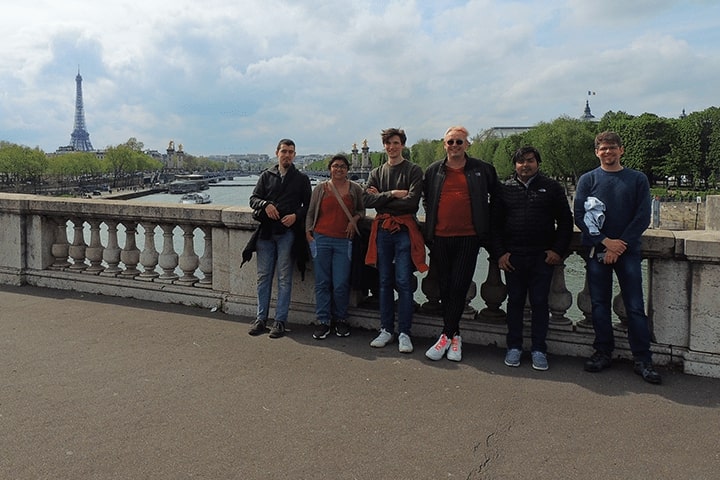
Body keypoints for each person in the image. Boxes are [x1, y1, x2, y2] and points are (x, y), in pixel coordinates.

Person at [573, 131, 662, 384]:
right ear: (596, 152)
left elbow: (643, 216)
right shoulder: (587, 179)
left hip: (626, 250)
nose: (607, 152)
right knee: (599, 304)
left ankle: (643, 358)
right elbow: (580, 215)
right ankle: (603, 351)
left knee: (635, 307)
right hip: (600, 248)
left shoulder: (637, 179)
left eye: (612, 147)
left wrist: (617, 246)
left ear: (622, 150)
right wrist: (605, 242)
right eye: (603, 148)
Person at [490, 146, 573, 370]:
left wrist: (556, 250)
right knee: (514, 303)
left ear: (538, 163)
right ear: (514, 165)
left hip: (541, 256)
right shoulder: (504, 189)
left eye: (530, 160)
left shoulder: (552, 187)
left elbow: (566, 221)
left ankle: (538, 349)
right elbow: (493, 226)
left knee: (539, 304)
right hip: (514, 256)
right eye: (521, 161)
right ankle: (514, 346)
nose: (525, 165)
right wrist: (500, 253)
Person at [422, 126, 498, 362]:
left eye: (459, 142)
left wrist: (485, 225)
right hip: (440, 237)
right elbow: (427, 200)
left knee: (459, 285)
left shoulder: (482, 169)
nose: (454, 146)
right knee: (445, 286)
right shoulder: (434, 170)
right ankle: (455, 337)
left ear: (467, 144)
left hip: (469, 237)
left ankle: (446, 335)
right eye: (450, 142)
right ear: (444, 145)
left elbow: (496, 199)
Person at [363, 128, 427, 353]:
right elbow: (366, 200)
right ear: (384, 146)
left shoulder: (414, 170)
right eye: (388, 143)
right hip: (382, 231)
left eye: (396, 143)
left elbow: (411, 204)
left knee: (403, 282)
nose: (392, 147)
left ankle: (404, 332)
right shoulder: (377, 171)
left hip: (403, 230)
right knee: (383, 282)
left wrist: (381, 200)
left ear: (403, 145)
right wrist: (391, 194)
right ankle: (386, 329)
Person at [246, 139, 311, 339]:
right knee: (263, 277)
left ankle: (280, 321)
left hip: (287, 233)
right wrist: (265, 204)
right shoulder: (266, 175)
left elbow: (308, 206)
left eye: (291, 152)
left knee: (284, 278)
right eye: (284, 151)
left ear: (294, 155)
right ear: (277, 153)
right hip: (266, 232)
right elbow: (253, 199)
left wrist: (296, 216)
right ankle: (261, 319)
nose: (287, 155)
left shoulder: (301, 179)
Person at [306, 154, 365, 339]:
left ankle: (340, 319)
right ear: (330, 168)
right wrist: (309, 234)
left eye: (342, 166)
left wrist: (354, 219)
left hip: (343, 241)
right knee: (322, 283)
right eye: (335, 166)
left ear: (347, 170)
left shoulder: (355, 188)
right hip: (321, 239)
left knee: (340, 283)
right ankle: (323, 320)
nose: (339, 169)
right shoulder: (320, 189)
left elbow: (361, 210)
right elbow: (310, 212)